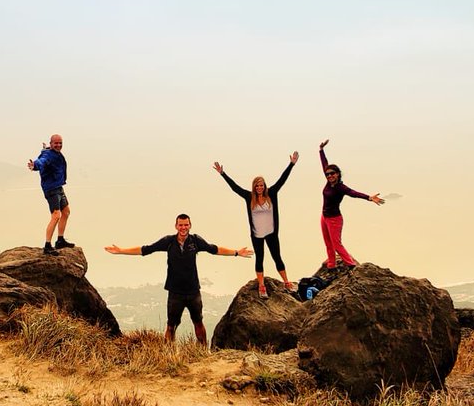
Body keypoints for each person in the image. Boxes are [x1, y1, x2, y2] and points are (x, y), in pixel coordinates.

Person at [105, 214, 252, 346]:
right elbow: (146, 249)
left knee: (198, 323)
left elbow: (215, 249)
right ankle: (168, 353)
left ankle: (202, 352)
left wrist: (237, 253)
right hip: (175, 292)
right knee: (171, 326)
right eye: (180, 225)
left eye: (186, 225)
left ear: (190, 225)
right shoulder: (168, 242)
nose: (183, 227)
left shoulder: (196, 241)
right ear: (176, 226)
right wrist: (121, 250)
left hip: (193, 291)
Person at [213, 152, 299, 299]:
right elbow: (235, 188)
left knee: (277, 257)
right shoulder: (249, 197)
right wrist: (223, 173)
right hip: (257, 235)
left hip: (271, 233)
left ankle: (286, 282)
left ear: (264, 186)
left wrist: (291, 164)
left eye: (261, 185)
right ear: (254, 187)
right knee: (259, 258)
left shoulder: (271, 193)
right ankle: (261, 286)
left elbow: (282, 180)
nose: (259, 187)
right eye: (257, 185)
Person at [318, 139, 385, 269]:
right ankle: (332, 264)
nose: (329, 175)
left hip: (334, 219)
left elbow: (353, 193)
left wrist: (369, 198)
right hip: (324, 217)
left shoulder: (340, 188)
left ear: (337, 174)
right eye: (327, 174)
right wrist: (321, 150)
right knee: (328, 243)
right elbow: (324, 164)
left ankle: (351, 264)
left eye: (332, 173)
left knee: (337, 244)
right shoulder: (328, 182)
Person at [28, 134, 74, 255]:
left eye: (60, 143)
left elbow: (44, 153)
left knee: (66, 212)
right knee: (56, 215)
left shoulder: (50, 152)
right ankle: (47, 246)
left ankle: (60, 240)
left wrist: (45, 149)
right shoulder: (48, 155)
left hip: (58, 186)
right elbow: (42, 161)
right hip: (51, 189)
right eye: (56, 143)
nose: (58, 145)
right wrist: (35, 166)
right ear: (51, 143)